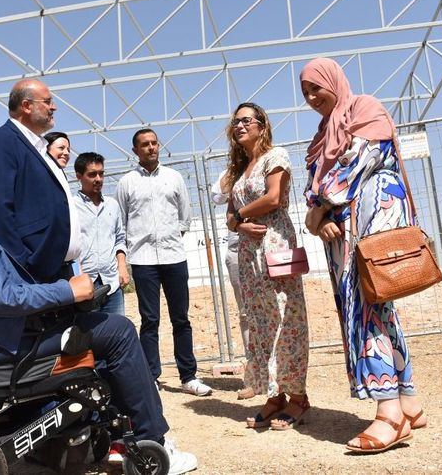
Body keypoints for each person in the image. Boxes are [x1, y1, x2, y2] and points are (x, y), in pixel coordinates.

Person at [0, 150, 198, 474]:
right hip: (3, 351)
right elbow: (1, 299)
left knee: (95, 327)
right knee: (119, 331)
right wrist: (67, 290)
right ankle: (151, 439)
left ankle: (98, 433)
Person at [300, 57, 427, 453]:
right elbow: (312, 190)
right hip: (341, 233)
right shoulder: (323, 134)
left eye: (316, 88)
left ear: (334, 81)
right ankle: (408, 401)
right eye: (304, 92)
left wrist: (318, 206)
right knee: (377, 308)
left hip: (372, 220)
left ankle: (389, 413)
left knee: (367, 311)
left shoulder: (366, 108)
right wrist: (319, 218)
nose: (311, 97)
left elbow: (358, 164)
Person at [223, 102, 310, 430]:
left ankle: (298, 396)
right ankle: (275, 395)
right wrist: (238, 225)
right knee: (261, 322)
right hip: (249, 253)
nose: (240, 126)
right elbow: (231, 215)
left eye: (246, 121)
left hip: (275, 246)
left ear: (262, 124)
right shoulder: (241, 169)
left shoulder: (277, 156)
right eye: (236, 123)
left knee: (287, 319)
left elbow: (274, 198)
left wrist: (242, 216)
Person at [116, 128, 212, 397]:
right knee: (150, 320)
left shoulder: (174, 178)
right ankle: (152, 377)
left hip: (174, 257)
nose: (151, 148)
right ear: (135, 150)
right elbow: (121, 221)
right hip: (143, 259)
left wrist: (170, 238)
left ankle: (188, 376)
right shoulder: (127, 182)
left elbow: (184, 217)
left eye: (154, 143)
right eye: (144, 145)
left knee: (181, 318)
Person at [0, 79, 80, 283]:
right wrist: (23, 265)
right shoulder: (0, 140)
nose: (54, 107)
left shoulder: (41, 150)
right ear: (26, 106)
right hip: (33, 274)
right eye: (48, 101)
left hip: (58, 271)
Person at [210, 170, 254, 401]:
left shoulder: (270, 161)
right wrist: (235, 170)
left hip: (267, 241)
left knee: (275, 310)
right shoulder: (232, 170)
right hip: (238, 247)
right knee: (246, 313)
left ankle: (279, 374)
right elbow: (217, 197)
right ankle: (254, 375)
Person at [74, 152, 130, 315]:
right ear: (79, 176)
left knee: (117, 333)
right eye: (92, 174)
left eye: (101, 173)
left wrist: (122, 266)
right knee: (89, 337)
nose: (98, 179)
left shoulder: (112, 205)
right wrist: (79, 273)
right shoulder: (72, 206)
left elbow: (120, 238)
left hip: (112, 282)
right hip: (85, 284)